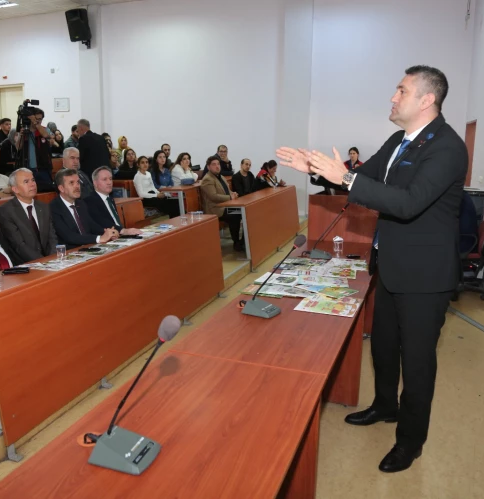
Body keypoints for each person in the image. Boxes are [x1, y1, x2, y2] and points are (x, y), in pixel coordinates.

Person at [277, 65, 467, 473]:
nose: (393, 98)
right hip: (392, 265)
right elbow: (363, 179)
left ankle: (410, 442)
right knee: (382, 344)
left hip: (425, 276)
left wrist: (345, 177)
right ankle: (385, 406)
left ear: (427, 100)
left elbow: (408, 203)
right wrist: (316, 170)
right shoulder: (399, 140)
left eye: (401, 91)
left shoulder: (448, 147)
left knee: (417, 363)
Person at [0, 168, 58, 262]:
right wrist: (43, 262)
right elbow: (19, 245)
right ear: (15, 189)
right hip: (25, 263)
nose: (32, 184)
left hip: (50, 260)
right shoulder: (6, 211)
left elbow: (52, 237)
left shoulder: (44, 207)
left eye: (33, 180)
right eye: (26, 182)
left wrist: (52, 258)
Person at [50, 168, 119, 249]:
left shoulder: (81, 204)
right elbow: (69, 236)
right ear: (61, 188)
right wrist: (99, 238)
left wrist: (108, 232)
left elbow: (91, 226)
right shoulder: (54, 208)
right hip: (69, 251)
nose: (77, 186)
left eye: (78, 182)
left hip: (87, 247)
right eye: (71, 183)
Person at [200, 155, 243, 251]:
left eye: (218, 164)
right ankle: (236, 242)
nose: (217, 166)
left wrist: (233, 193)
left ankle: (243, 241)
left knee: (244, 211)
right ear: (208, 167)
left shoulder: (221, 177)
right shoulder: (207, 179)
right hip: (215, 209)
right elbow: (213, 196)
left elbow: (227, 191)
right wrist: (230, 197)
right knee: (237, 214)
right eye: (214, 164)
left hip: (225, 206)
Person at [84, 166, 143, 235]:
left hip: (119, 234)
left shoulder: (110, 199)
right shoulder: (89, 201)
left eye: (110, 179)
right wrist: (123, 231)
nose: (109, 182)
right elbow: (102, 221)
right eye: (104, 179)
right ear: (95, 183)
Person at [20, 106, 53, 185]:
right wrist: (21, 136)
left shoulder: (45, 129)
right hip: (27, 168)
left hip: (43, 168)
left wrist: (36, 124)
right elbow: (18, 147)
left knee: (46, 189)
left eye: (40, 119)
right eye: (35, 119)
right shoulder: (24, 130)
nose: (38, 121)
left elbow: (46, 135)